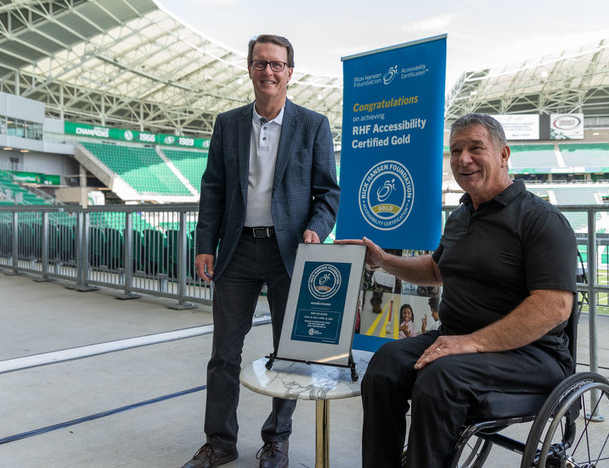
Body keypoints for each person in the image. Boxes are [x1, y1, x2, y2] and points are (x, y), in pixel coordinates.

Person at [338, 113, 576, 467]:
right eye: (455, 150)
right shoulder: (462, 216)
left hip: (531, 355)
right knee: (385, 365)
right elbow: (437, 269)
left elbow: (555, 306)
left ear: (503, 154)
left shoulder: (540, 219)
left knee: (440, 377)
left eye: (475, 148)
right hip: (458, 341)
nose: (463, 158)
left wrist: (472, 343)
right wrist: (383, 260)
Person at [183, 34, 340, 468]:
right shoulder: (228, 123)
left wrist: (315, 230)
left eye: (276, 64)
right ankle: (220, 442)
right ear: (249, 68)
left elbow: (328, 194)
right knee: (223, 355)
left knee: (288, 355)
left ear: (290, 72)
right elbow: (212, 188)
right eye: (260, 63)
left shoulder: (313, 125)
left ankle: (277, 440)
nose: (268, 71)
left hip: (289, 254)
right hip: (236, 252)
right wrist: (204, 244)